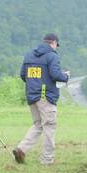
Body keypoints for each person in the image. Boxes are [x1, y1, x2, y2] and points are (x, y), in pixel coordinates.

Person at [13, 33, 70, 165]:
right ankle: (47, 159)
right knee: (49, 126)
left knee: (38, 124)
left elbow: (23, 75)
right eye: (57, 45)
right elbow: (56, 74)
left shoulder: (29, 55)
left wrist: (35, 83)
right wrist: (65, 76)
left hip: (32, 95)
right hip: (46, 96)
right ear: (54, 43)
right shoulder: (52, 56)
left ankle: (21, 149)